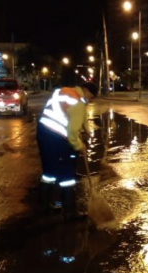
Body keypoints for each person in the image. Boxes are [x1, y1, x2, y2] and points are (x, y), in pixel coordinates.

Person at [36, 82, 98, 220]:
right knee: (67, 175)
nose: (91, 100)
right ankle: (70, 212)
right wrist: (79, 146)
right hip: (56, 137)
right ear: (86, 91)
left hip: (43, 133)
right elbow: (71, 133)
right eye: (91, 97)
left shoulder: (66, 92)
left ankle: (46, 206)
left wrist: (86, 129)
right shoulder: (78, 103)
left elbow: (77, 116)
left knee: (49, 172)